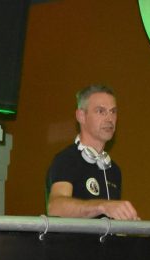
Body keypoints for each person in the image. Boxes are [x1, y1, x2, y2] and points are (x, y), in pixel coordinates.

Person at [45, 84, 139, 220]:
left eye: (113, 112)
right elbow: (55, 207)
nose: (110, 119)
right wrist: (102, 206)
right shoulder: (66, 160)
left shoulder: (113, 170)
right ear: (81, 116)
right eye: (101, 111)